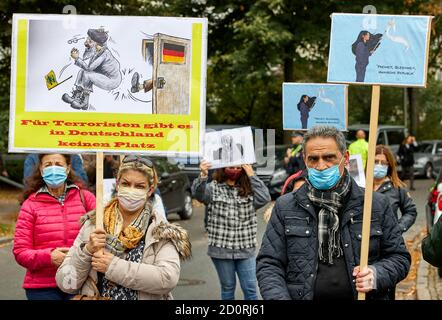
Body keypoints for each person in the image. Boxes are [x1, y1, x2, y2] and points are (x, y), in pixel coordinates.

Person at [256, 125, 411, 300]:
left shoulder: (375, 204)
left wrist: (377, 274)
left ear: (345, 158)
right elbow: (269, 264)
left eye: (329, 157)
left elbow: (399, 258)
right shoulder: (285, 207)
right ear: (305, 160)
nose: (321, 166)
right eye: (313, 159)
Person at [56, 155, 190, 300]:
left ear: (150, 190)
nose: (131, 190)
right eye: (126, 184)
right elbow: (66, 284)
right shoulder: (94, 224)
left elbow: (167, 278)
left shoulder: (160, 230)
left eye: (139, 186)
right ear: (117, 184)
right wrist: (86, 251)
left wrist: (112, 267)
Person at [13, 153, 96, 300]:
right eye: (48, 165)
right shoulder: (30, 205)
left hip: (80, 283)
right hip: (42, 288)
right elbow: (20, 252)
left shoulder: (86, 198)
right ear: (41, 169)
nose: (53, 168)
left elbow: (102, 233)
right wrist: (49, 257)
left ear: (68, 168)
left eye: (58, 164)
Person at [192, 161, 271, 300]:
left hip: (246, 249)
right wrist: (203, 175)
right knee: (228, 289)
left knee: (251, 290)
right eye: (231, 167)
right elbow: (198, 195)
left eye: (238, 168)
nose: (234, 170)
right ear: (223, 168)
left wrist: (251, 174)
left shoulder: (250, 190)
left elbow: (265, 198)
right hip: (221, 250)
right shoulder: (213, 188)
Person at [373, 145, 417, 299]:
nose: (378, 165)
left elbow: (411, 211)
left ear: (389, 165)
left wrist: (397, 228)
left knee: (384, 285)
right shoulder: (360, 186)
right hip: (365, 245)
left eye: (383, 163)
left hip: (387, 246)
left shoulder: (397, 189)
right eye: (375, 161)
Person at [62, 28, 122, 110]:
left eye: (90, 41)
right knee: (82, 71)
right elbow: (86, 60)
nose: (86, 42)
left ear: (98, 44)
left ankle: (84, 102)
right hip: (104, 76)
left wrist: (77, 58)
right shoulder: (97, 51)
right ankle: (77, 95)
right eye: (87, 40)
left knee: (87, 74)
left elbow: (89, 68)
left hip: (112, 81)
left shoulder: (104, 54)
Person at [23, 153, 88, 186]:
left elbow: (83, 181)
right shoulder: (32, 157)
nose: (53, 170)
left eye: (59, 165)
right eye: (48, 165)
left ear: (68, 168)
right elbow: (29, 182)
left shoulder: (74, 156)